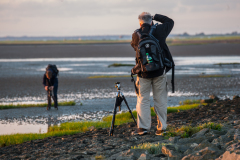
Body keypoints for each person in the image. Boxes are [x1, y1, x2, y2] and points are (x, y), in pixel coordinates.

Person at [131, 12, 174, 135]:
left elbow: (134, 47)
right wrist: (156, 16)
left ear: (139, 22)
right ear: (151, 21)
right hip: (159, 71)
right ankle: (161, 128)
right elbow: (170, 22)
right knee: (160, 99)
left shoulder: (136, 34)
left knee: (143, 100)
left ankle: (143, 128)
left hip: (143, 73)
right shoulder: (160, 30)